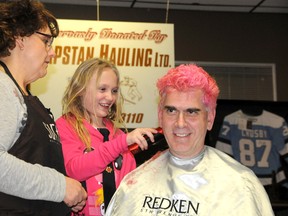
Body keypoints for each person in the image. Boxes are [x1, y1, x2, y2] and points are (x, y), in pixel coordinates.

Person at [105, 64, 275, 215]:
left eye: (191, 112)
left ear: (209, 119)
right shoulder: (134, 182)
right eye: (171, 111)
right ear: (160, 116)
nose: (180, 123)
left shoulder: (240, 185)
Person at [0, 0, 87, 215]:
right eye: (46, 41)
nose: (52, 53)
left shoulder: (21, 95)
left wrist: (63, 197)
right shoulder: (3, 88)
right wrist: (60, 187)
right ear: (19, 37)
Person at [56, 57, 157, 215]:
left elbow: (128, 187)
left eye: (114, 91)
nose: (110, 97)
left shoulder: (117, 133)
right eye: (102, 89)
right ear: (81, 89)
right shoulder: (66, 125)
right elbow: (74, 169)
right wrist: (122, 143)